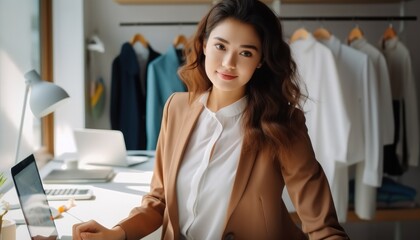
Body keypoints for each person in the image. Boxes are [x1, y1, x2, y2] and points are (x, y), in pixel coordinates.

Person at [72, 0, 350, 239]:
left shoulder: (283, 122)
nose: (229, 62)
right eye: (220, 46)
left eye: (245, 52)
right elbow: (159, 200)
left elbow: (323, 227)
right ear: (204, 45)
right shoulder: (176, 108)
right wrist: (117, 233)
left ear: (261, 60)